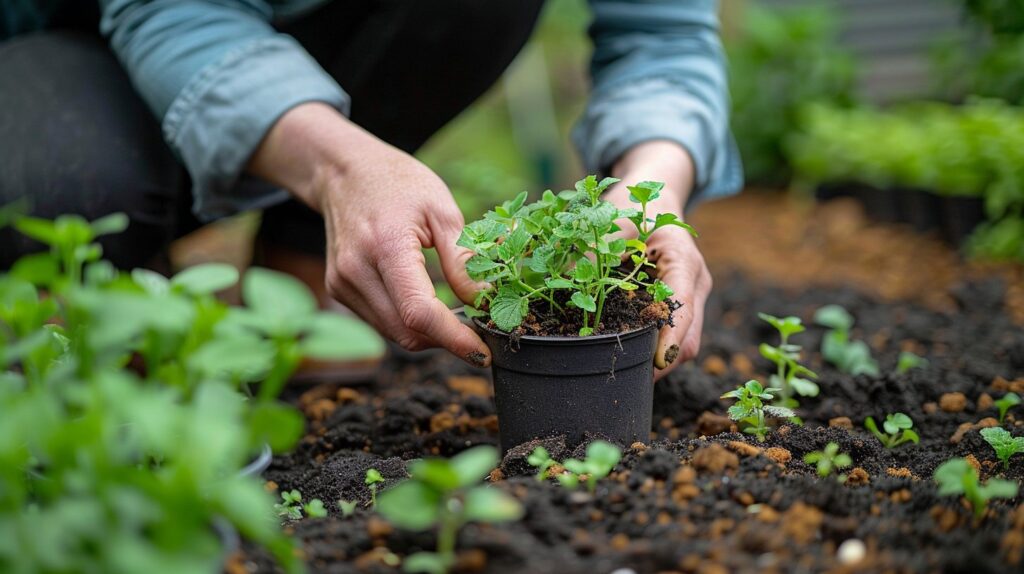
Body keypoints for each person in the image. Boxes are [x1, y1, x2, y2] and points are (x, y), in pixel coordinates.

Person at [0, 0, 741, 379]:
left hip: (297, 41)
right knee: (65, 191)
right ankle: (126, 290)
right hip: (64, 39)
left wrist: (654, 190)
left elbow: (664, 37)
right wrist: (338, 165)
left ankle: (299, 258)